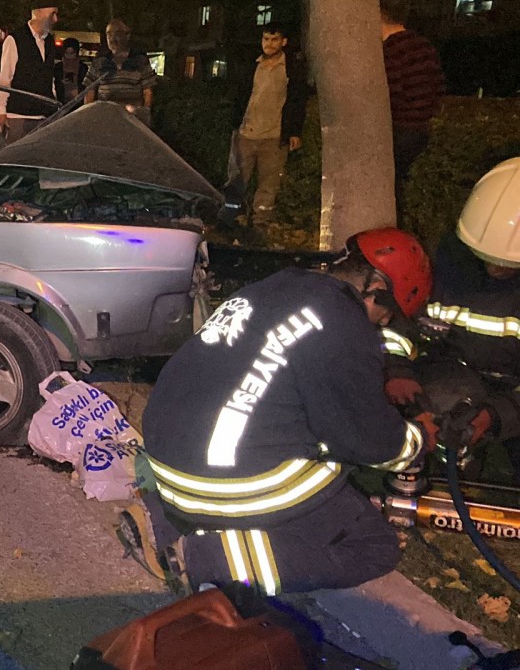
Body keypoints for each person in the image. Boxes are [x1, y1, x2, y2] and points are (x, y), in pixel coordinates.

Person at [120, 228, 442, 596]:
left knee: (306, 454)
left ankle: (162, 521)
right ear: (376, 289)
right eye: (387, 312)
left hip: (165, 456)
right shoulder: (346, 324)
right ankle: (203, 558)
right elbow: (365, 441)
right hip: (215, 477)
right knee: (372, 542)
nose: (384, 323)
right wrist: (417, 439)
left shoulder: (278, 286)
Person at [383, 159, 520, 482]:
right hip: (457, 376)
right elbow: (400, 322)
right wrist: (396, 371)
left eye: (506, 263)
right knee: (442, 419)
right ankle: (454, 469)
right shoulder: (446, 264)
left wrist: (495, 415)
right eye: (485, 258)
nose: (494, 269)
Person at [228, 22, 308, 229]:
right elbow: (239, 95)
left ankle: (260, 223)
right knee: (237, 179)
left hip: (274, 136)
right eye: (266, 39)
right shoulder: (251, 65)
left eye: (274, 40)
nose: (269, 44)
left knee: (269, 184)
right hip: (246, 134)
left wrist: (294, 132)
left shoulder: (291, 69)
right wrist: (235, 125)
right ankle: (231, 217)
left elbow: (297, 100)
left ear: (284, 42)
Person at [380, 0, 444, 213]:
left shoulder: (391, 50)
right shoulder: (424, 45)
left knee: (386, 186)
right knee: (396, 182)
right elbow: (438, 85)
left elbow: (391, 93)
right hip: (420, 129)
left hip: (399, 129)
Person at [0, 4, 59, 143]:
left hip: (43, 116)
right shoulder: (15, 39)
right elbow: (5, 77)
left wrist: (53, 104)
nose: (55, 19)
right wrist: (0, 110)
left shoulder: (49, 41)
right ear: (38, 11)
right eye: (52, 14)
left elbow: (49, 77)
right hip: (18, 115)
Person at [84, 19, 156, 127]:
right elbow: (90, 90)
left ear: (127, 35)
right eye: (109, 34)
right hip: (104, 119)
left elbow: (148, 92)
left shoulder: (140, 61)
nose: (112, 38)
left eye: (117, 34)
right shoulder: (100, 61)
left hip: (132, 119)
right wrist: (89, 116)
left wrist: (143, 113)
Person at [55, 37, 88, 103]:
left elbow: (87, 86)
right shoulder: (58, 68)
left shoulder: (83, 68)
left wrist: (78, 91)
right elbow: (56, 86)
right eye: (67, 53)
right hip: (62, 103)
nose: (69, 56)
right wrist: (61, 84)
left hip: (79, 103)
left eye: (72, 53)